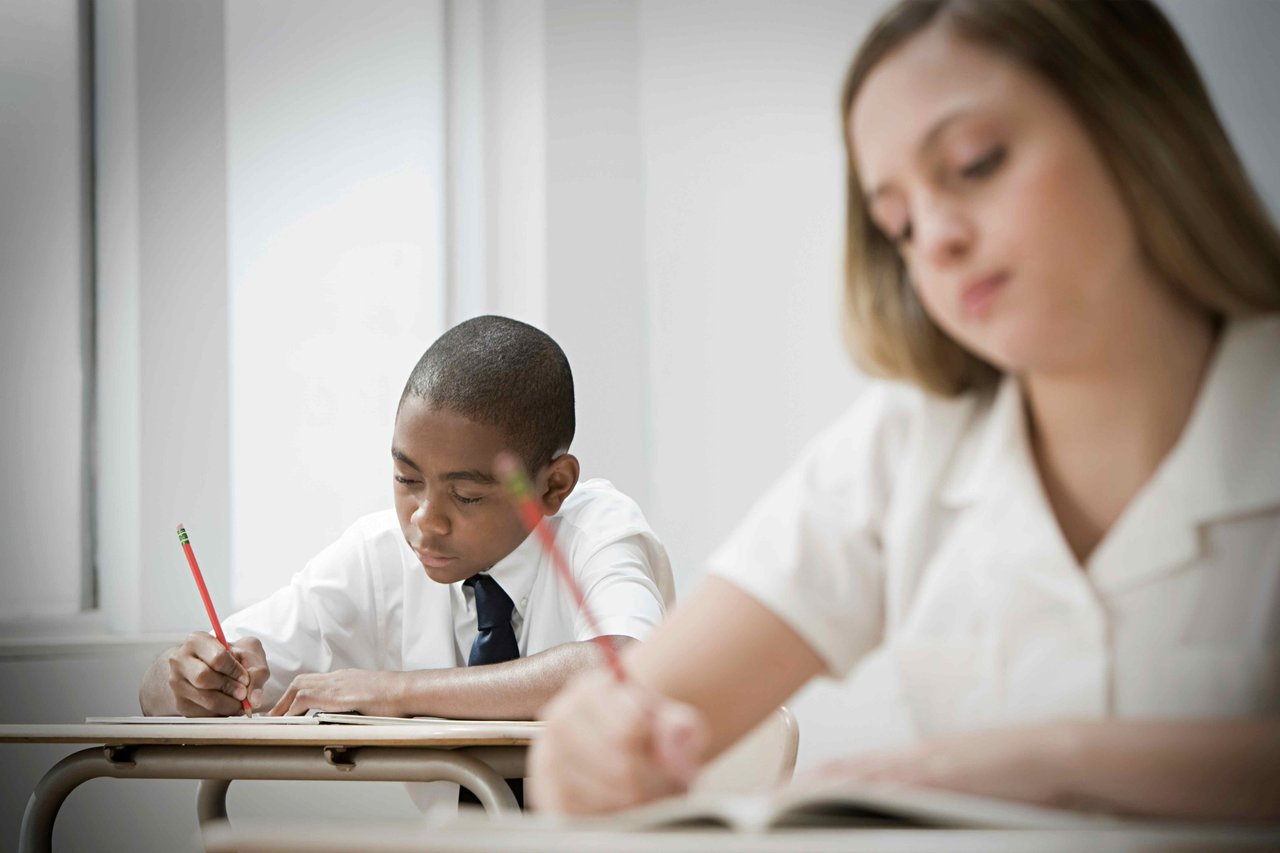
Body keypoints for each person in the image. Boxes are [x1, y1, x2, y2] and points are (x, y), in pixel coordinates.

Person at [530, 0, 1280, 822]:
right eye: (900, 222)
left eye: (977, 162)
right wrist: (586, 749)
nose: (937, 241)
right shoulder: (904, 444)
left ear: (1141, 126)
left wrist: (1036, 765)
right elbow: (637, 713)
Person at [139, 314, 673, 720]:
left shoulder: (597, 531)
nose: (425, 520)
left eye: (466, 495)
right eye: (407, 480)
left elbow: (626, 664)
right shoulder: (378, 556)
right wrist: (190, 678)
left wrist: (393, 689)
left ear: (553, 486)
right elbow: (158, 695)